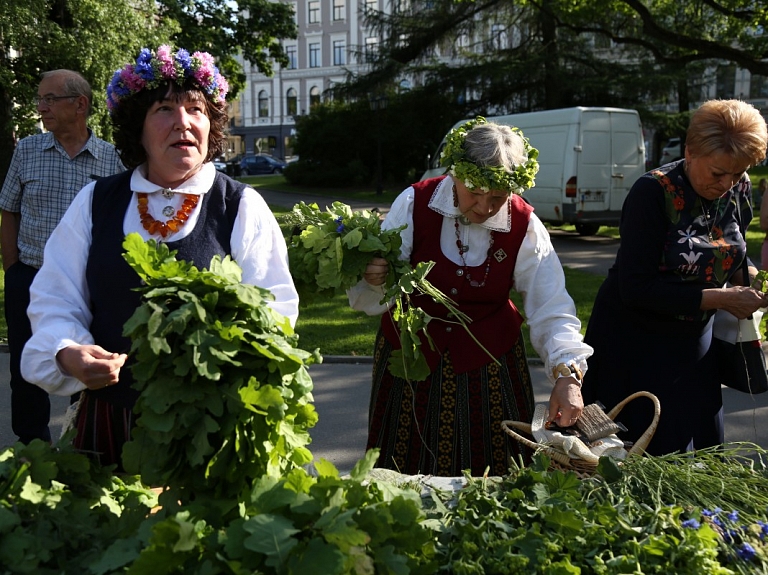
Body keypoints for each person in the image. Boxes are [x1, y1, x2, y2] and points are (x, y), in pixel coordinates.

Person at [19, 46, 299, 468]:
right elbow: (55, 299)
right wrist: (66, 350)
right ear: (139, 128)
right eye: (165, 109)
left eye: (195, 109)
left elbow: (275, 312)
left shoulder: (240, 205)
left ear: (211, 124)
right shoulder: (95, 202)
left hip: (208, 430)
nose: (183, 122)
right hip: (109, 421)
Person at [348, 117, 593, 477]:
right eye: (473, 192)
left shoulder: (524, 225)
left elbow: (551, 306)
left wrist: (568, 374)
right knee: (401, 468)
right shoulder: (415, 203)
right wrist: (374, 277)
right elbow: (374, 292)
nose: (484, 206)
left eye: (497, 197)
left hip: (491, 366)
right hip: (411, 361)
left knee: (495, 470)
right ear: (454, 177)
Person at [582, 99, 768, 456]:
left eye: (738, 172)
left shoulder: (739, 188)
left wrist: (754, 283)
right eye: (718, 173)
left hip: (694, 345)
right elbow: (636, 288)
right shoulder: (653, 192)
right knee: (642, 455)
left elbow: (730, 252)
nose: (727, 183)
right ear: (689, 151)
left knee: (698, 453)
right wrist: (724, 298)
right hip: (634, 345)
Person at [0, 70, 124, 444]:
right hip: (30, 276)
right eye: (40, 99)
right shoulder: (27, 151)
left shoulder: (110, 158)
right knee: (26, 367)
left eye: (50, 99)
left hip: (86, 285)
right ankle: (31, 448)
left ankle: (81, 444)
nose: (41, 107)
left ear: (80, 104)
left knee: (85, 363)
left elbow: (119, 223)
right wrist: (13, 270)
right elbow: (8, 210)